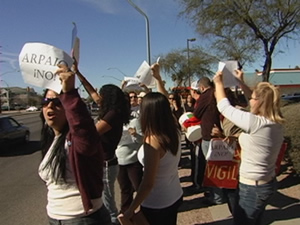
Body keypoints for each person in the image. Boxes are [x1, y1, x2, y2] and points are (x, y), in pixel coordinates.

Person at [38, 64, 111, 225]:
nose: (50, 106)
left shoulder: (77, 138)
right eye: (46, 101)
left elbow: (84, 133)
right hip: (55, 218)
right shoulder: (52, 140)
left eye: (57, 102)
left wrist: (69, 92)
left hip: (84, 219)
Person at [213, 70, 284, 225]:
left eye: (252, 99)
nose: (249, 100)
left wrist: (218, 83)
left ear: (258, 102)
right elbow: (254, 98)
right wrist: (241, 82)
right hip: (265, 183)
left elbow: (224, 107)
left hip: (252, 188)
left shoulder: (256, 123)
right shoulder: (274, 122)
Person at [120, 63, 183, 225]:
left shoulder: (153, 141)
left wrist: (131, 209)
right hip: (174, 194)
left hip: (157, 202)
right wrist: (158, 79)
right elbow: (166, 106)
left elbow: (148, 183)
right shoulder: (173, 128)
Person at [75, 63, 131, 225]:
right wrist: (78, 74)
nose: (98, 97)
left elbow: (92, 132)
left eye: (101, 95)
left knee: (107, 200)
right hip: (105, 161)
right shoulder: (110, 110)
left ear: (107, 97)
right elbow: (91, 92)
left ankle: (113, 222)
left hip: (107, 163)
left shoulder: (113, 115)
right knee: (104, 197)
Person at [116, 93, 144, 214]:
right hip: (119, 160)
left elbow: (143, 139)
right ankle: (126, 213)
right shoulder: (115, 121)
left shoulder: (135, 121)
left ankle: (146, 210)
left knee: (139, 187)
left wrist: (135, 135)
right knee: (125, 189)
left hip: (133, 161)